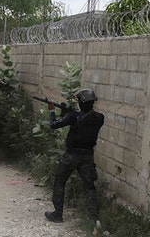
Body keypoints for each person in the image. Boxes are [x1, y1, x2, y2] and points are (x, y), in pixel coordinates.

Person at [44, 88, 104, 224]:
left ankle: (57, 214)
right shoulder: (100, 118)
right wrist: (68, 113)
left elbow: (54, 124)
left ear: (82, 102)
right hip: (88, 156)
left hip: (72, 155)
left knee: (60, 181)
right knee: (89, 186)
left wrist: (53, 111)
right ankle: (94, 219)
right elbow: (83, 119)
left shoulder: (74, 117)